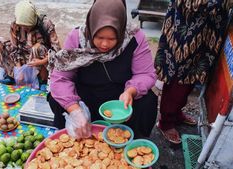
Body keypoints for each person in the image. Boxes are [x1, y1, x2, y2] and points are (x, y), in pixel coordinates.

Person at [47, 0, 158, 139]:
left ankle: (131, 142)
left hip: (119, 98)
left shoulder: (134, 37)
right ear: (91, 26)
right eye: (99, 37)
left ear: (121, 29)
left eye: (112, 38)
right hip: (86, 95)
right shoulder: (77, 38)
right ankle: (74, 135)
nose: (105, 44)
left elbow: (145, 74)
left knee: (148, 101)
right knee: (55, 98)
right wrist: (74, 109)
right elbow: (60, 78)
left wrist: (131, 91)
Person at [154, 0, 230, 144]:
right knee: (177, 79)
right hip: (186, 29)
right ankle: (166, 121)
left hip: (204, 32)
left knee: (191, 76)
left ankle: (176, 113)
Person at [0, 0, 60, 88]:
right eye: (23, 26)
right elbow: (15, 50)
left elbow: (57, 50)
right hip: (23, 57)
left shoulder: (46, 24)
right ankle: (11, 77)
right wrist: (19, 69)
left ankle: (42, 81)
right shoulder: (15, 25)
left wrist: (42, 61)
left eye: (28, 26)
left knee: (37, 48)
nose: (25, 28)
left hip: (40, 59)